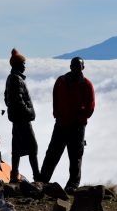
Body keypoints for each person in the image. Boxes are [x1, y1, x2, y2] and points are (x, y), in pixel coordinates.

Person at [40, 57, 95, 194]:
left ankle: (72, 185)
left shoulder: (86, 85)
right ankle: (42, 181)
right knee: (52, 154)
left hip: (77, 127)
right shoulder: (61, 81)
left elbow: (90, 107)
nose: (76, 68)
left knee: (75, 156)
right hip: (61, 124)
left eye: (79, 66)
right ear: (70, 67)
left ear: (83, 68)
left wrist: (80, 118)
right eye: (74, 65)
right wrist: (58, 115)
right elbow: (55, 99)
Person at [4, 49, 40, 182]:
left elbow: (6, 98)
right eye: (23, 63)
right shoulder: (16, 79)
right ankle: (37, 176)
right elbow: (18, 100)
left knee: (17, 148)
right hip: (22, 119)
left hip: (16, 119)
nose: (25, 66)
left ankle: (14, 175)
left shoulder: (10, 78)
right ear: (17, 64)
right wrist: (29, 112)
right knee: (32, 147)